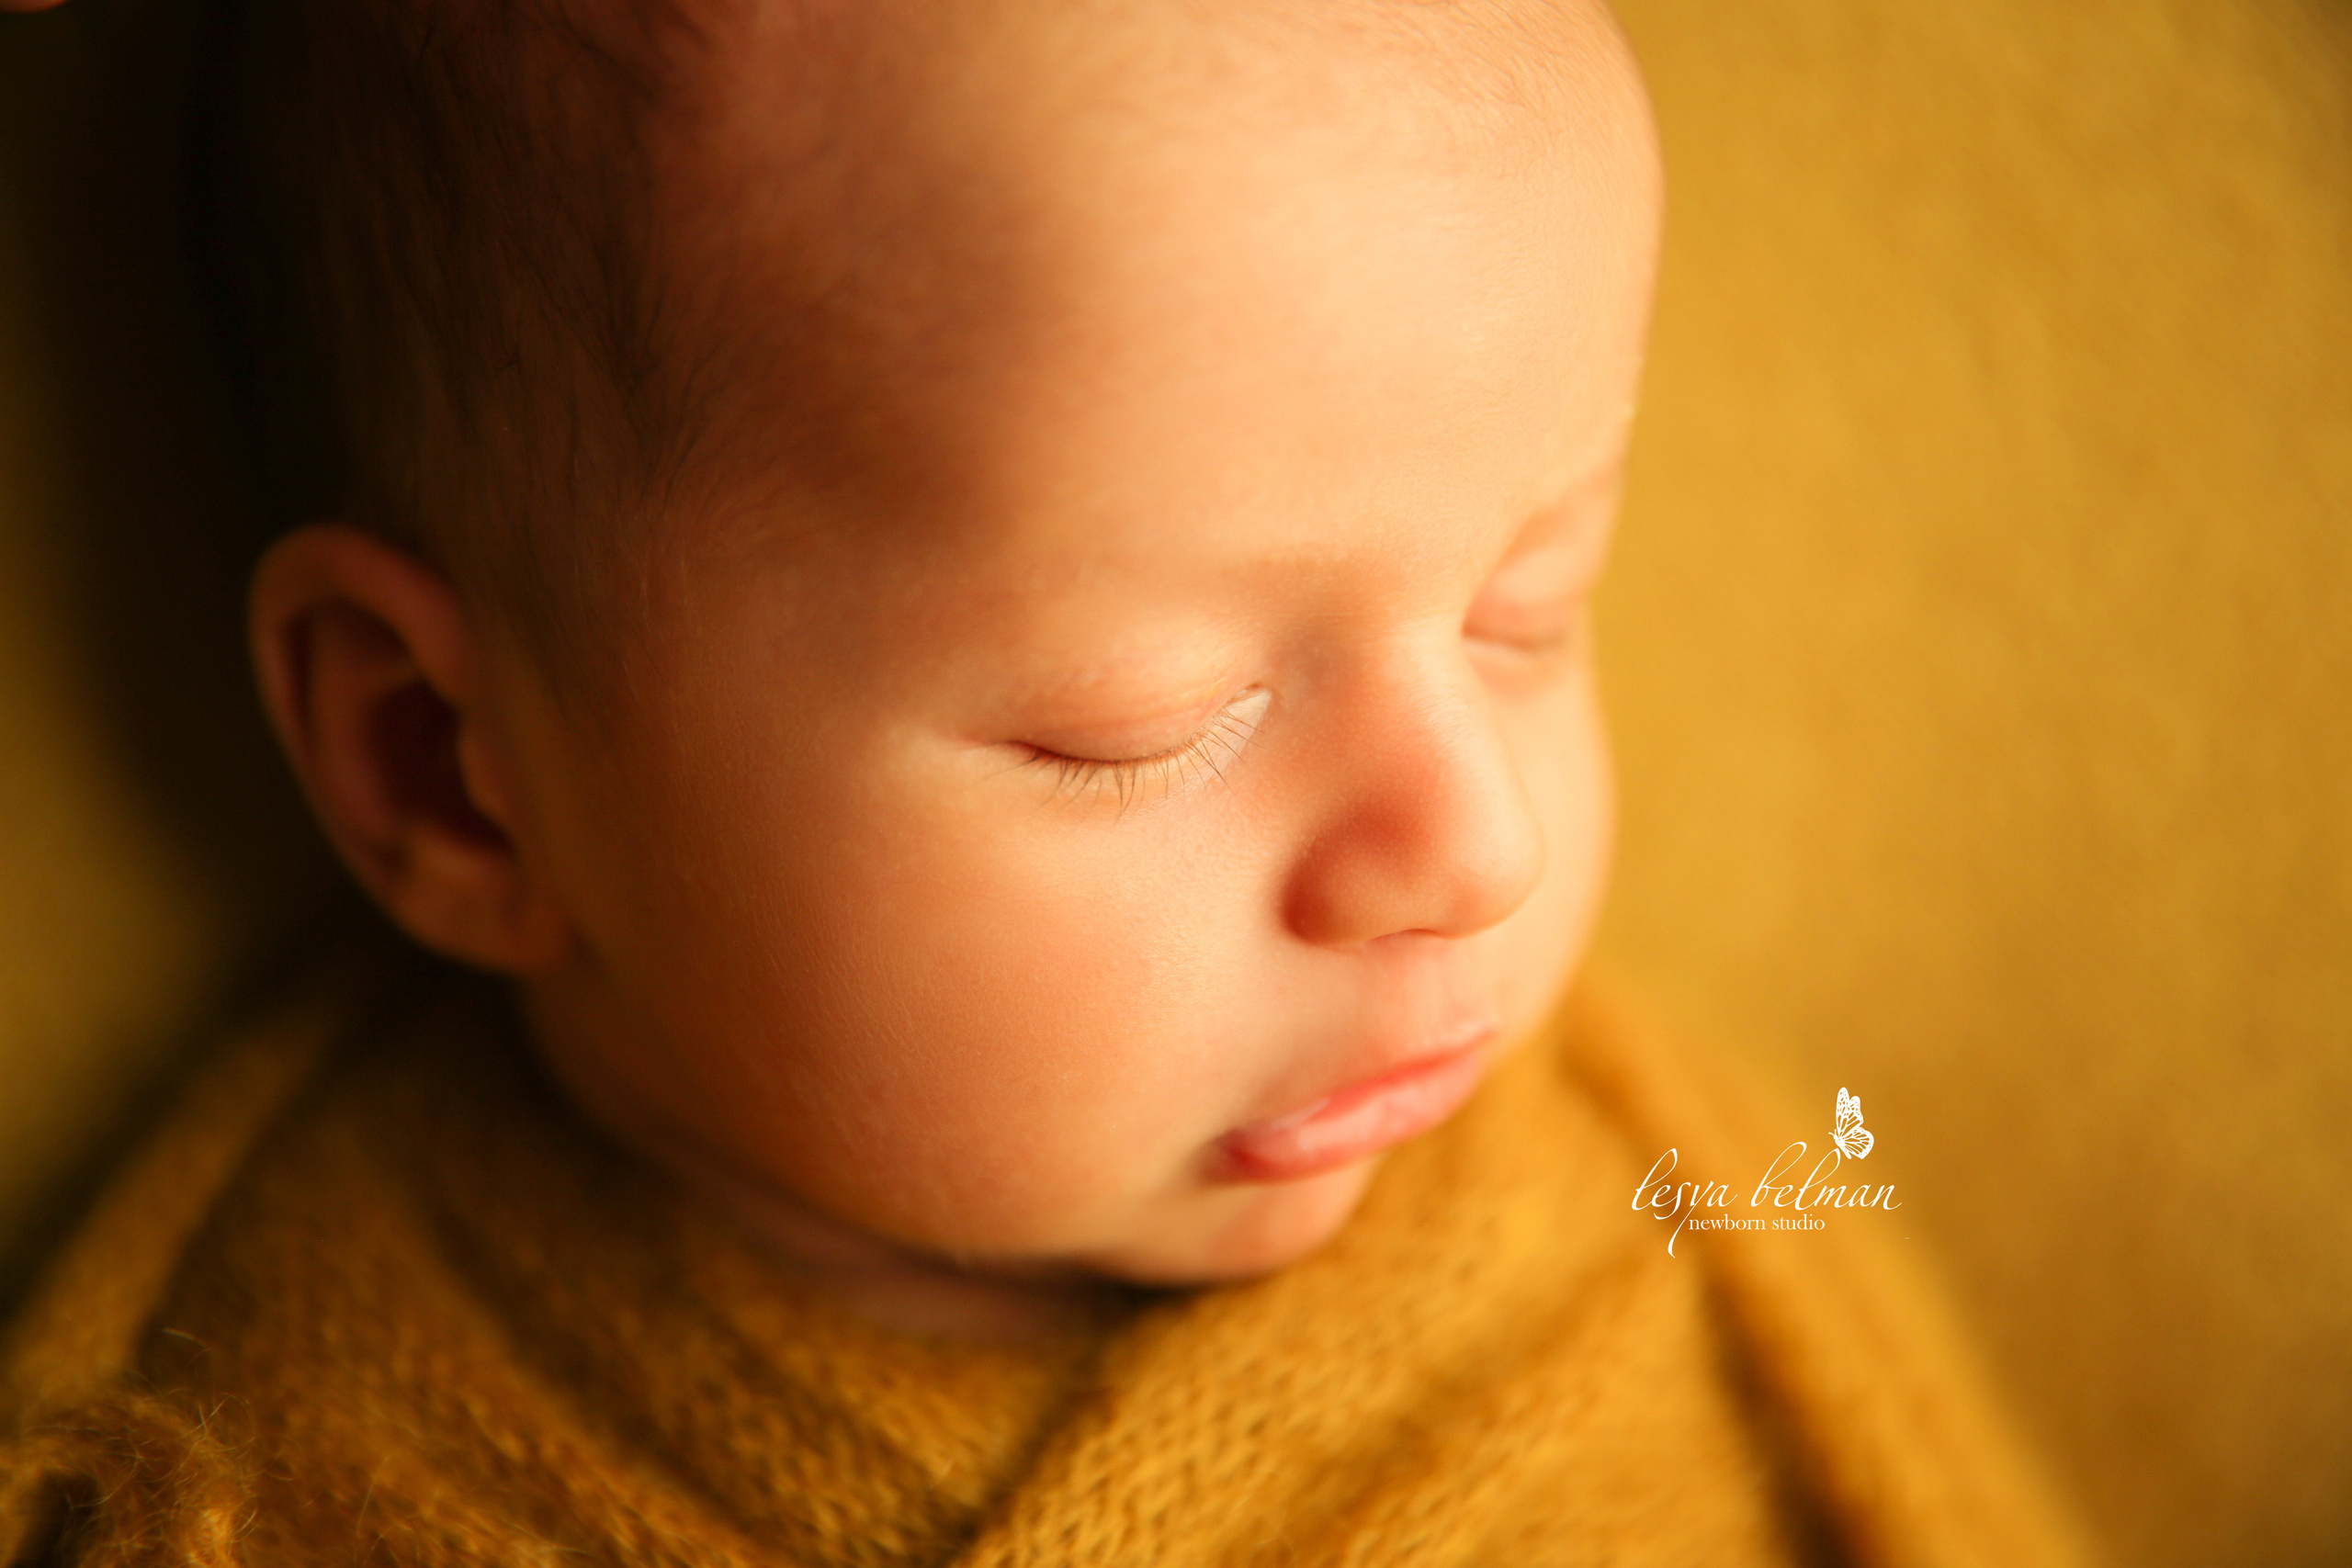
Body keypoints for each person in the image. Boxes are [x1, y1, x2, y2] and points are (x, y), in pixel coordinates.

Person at [0, 1, 2087, 1562]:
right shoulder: (250, 1443)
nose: (1475, 844)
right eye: (1139, 717)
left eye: (1531, 607)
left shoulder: (1673, 1201)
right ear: (449, 772)